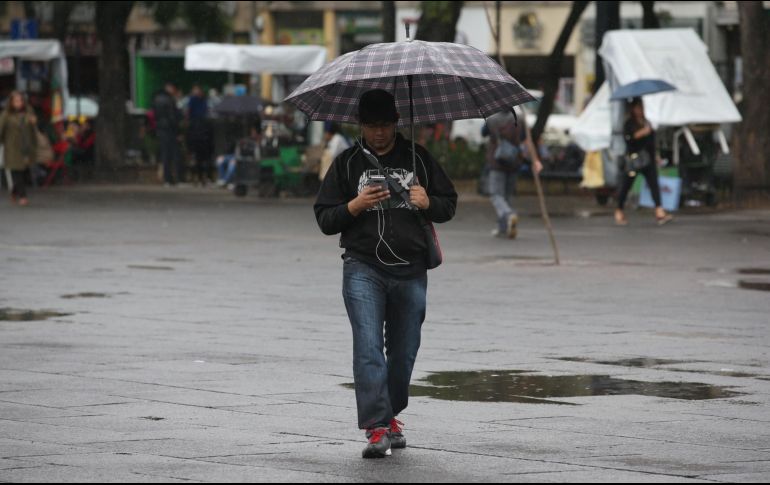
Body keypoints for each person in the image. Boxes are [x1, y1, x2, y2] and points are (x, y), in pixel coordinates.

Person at [314, 89, 457, 459]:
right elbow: (325, 218)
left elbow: (448, 204)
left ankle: (391, 414)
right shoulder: (346, 163)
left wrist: (430, 202)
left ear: (396, 123)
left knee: (405, 351)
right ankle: (377, 427)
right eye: (371, 126)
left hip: (410, 269)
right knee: (367, 347)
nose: (379, 133)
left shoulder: (418, 158)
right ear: (361, 125)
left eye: (385, 125)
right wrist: (354, 205)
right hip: (362, 267)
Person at [483, 109, 543, 239]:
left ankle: (508, 214)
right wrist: (535, 160)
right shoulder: (519, 119)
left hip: (497, 161)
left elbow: (483, 133)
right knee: (508, 195)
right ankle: (503, 228)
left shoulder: (492, 119)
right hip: (514, 161)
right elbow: (527, 141)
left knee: (496, 195)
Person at [615, 97, 673, 226]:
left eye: (642, 108)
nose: (641, 111)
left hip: (648, 159)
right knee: (626, 185)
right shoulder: (629, 123)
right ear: (633, 109)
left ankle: (659, 210)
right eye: (638, 108)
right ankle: (619, 209)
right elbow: (629, 139)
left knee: (654, 184)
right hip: (634, 160)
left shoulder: (647, 122)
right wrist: (642, 132)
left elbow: (651, 142)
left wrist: (655, 155)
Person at [0, 91, 38, 206]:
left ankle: (14, 190)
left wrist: (33, 122)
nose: (19, 103)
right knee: (17, 171)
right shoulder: (6, 114)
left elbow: (33, 129)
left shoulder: (28, 112)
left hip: (26, 146)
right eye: (16, 101)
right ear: (11, 102)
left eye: (20, 100)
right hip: (12, 147)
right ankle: (23, 195)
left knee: (25, 171)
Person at [152, 82, 183, 186]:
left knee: (165, 155)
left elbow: (155, 115)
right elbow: (172, 117)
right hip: (170, 130)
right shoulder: (170, 100)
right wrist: (178, 131)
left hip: (161, 129)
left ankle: (167, 178)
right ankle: (176, 178)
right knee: (174, 155)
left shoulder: (156, 99)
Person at [216, 120, 262, 188]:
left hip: (247, 158)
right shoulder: (248, 139)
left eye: (254, 131)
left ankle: (226, 181)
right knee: (220, 159)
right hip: (237, 155)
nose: (252, 133)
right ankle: (222, 179)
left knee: (233, 163)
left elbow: (256, 155)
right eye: (252, 131)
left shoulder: (260, 141)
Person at [186, 85, 214, 186]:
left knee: (201, 158)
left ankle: (202, 177)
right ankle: (202, 177)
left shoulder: (198, 101)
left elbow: (188, 113)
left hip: (199, 133)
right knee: (201, 157)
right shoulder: (198, 101)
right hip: (200, 134)